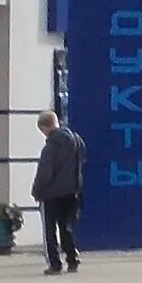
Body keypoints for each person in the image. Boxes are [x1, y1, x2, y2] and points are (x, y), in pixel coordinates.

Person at [32, 109, 86, 274]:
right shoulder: (76, 140)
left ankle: (54, 263)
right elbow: (83, 159)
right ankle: (72, 259)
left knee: (49, 229)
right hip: (72, 191)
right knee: (66, 226)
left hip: (51, 193)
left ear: (44, 127)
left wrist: (37, 190)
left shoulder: (50, 147)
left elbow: (44, 172)